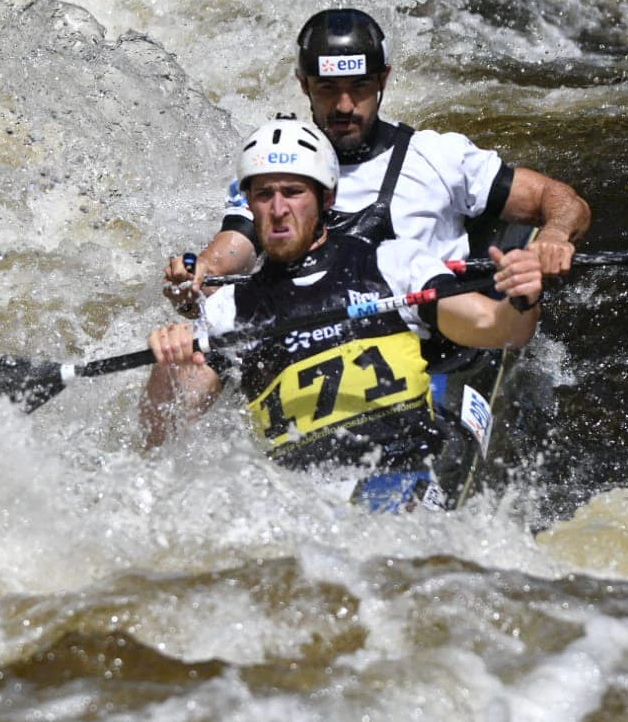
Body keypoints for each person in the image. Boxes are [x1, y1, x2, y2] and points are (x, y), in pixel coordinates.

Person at [141, 117, 544, 512]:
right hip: (301, 503)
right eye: (264, 195)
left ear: (326, 199)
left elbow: (498, 329)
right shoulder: (228, 309)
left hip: (400, 471)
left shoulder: (391, 263)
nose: (279, 209)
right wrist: (168, 363)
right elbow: (160, 436)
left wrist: (522, 298)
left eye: (294, 192)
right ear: (249, 205)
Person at [163, 8, 591, 314]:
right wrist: (200, 274)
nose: (344, 105)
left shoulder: (438, 156)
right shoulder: (279, 168)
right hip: (327, 342)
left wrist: (554, 235)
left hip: (439, 334)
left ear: (383, 79)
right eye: (328, 88)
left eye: (360, 86)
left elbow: (560, 199)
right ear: (303, 84)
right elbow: (235, 245)